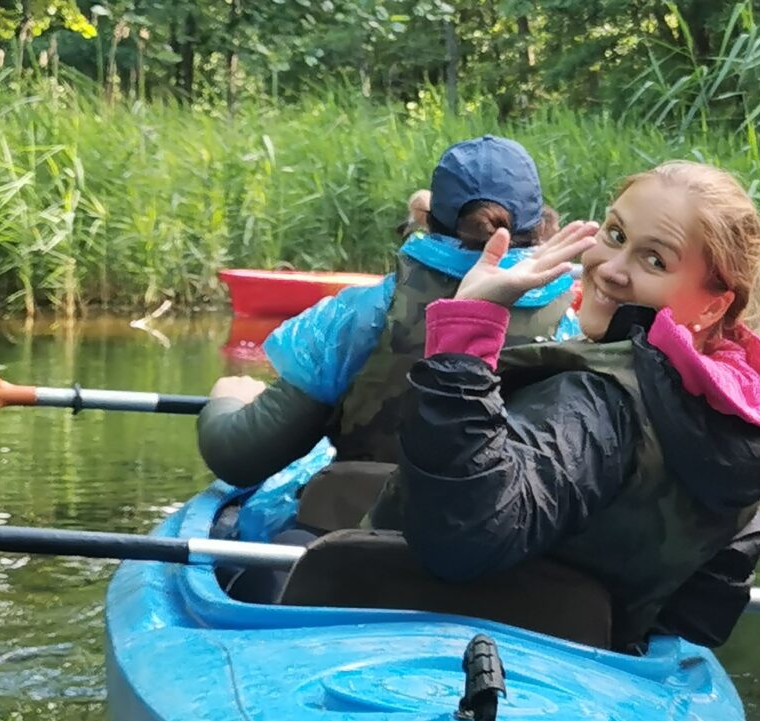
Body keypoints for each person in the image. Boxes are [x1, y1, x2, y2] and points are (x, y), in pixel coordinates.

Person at [367, 161, 760, 650]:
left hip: (427, 648)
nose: (611, 269)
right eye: (615, 234)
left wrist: (466, 337)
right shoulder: (737, 423)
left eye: (654, 261)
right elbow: (703, 613)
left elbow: (462, 539)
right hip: (597, 684)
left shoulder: (598, 401)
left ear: (713, 305)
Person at [196, 136, 578, 535]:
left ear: (429, 222)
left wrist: (226, 399)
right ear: (541, 228)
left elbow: (238, 457)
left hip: (352, 543)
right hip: (500, 552)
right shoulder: (573, 331)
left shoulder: (363, 314)